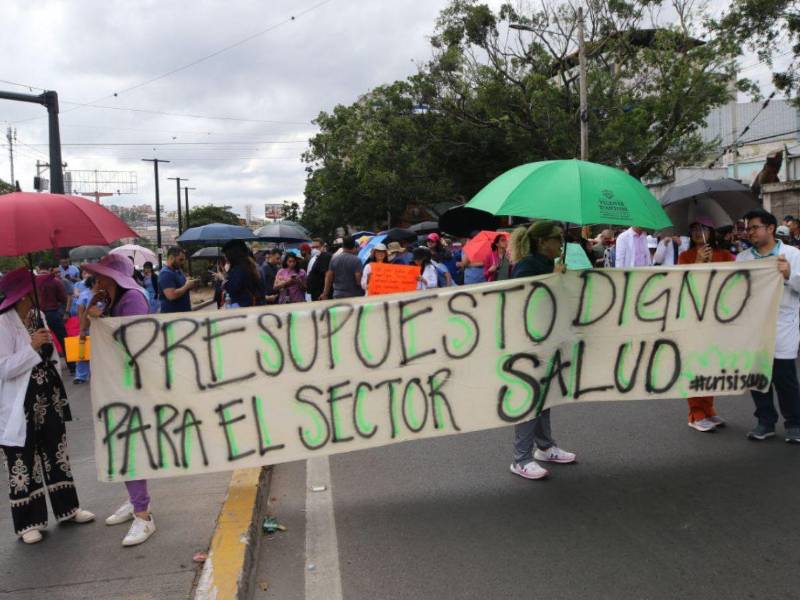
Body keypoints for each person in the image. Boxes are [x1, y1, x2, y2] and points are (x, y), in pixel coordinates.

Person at [0, 268, 95, 544]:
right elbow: (4, 368)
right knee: (23, 459)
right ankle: (27, 521)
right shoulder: (4, 323)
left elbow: (51, 356)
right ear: (22, 295)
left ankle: (68, 508)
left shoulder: (38, 316)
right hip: (19, 404)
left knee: (57, 452)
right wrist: (31, 346)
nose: (37, 293)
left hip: (47, 397)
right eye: (32, 290)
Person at [82, 255, 158, 545]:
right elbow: (87, 330)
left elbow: (138, 341)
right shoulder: (111, 300)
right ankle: (137, 500)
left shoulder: (132, 299)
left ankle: (143, 514)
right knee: (122, 441)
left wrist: (105, 323)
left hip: (131, 384)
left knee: (129, 442)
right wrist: (93, 311)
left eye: (102, 275)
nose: (97, 281)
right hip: (115, 383)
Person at [507, 221, 576, 479]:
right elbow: (525, 300)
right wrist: (553, 280)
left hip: (546, 340)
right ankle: (521, 459)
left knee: (544, 395)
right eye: (557, 238)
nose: (561, 243)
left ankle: (544, 447)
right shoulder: (527, 266)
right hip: (528, 342)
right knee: (530, 398)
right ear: (542, 242)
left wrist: (557, 277)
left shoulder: (547, 265)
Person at [736, 208, 800, 443]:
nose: (749, 232)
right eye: (747, 228)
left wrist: (789, 274)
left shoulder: (792, 254)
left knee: (785, 380)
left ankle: (794, 423)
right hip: (753, 329)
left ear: (770, 228)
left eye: (754, 227)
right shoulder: (743, 259)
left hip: (783, 326)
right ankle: (765, 421)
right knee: (757, 379)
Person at [678, 217, 735, 432]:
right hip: (693, 319)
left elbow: (734, 282)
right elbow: (683, 285)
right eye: (693, 228)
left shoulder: (725, 255)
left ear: (711, 232)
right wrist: (699, 263)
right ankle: (695, 413)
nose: (697, 232)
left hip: (718, 319)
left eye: (702, 228)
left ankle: (709, 409)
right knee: (695, 365)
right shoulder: (685, 257)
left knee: (712, 364)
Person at [35, 263, 69, 364]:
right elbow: (64, 298)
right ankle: (71, 365)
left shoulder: (33, 282)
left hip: (38, 313)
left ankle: (44, 363)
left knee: (41, 339)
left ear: (38, 269)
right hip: (53, 312)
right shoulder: (55, 281)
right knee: (63, 338)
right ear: (49, 269)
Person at [218, 240, 265, 308]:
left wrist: (223, 279)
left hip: (243, 307)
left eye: (226, 255)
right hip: (252, 305)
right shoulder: (249, 265)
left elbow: (232, 289)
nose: (225, 257)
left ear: (232, 255)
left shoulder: (239, 269)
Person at [158, 247, 197, 314]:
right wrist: (186, 286)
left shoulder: (177, 270)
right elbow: (171, 296)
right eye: (180, 260)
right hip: (172, 316)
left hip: (183, 314)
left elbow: (181, 286)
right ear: (171, 258)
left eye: (184, 260)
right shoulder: (166, 273)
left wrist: (190, 283)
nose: (183, 262)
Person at [73, 275, 96, 385]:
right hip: (86, 327)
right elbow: (80, 313)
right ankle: (80, 376)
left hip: (99, 328)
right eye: (98, 281)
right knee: (82, 352)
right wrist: (81, 329)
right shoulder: (84, 295)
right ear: (93, 283)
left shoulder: (103, 294)